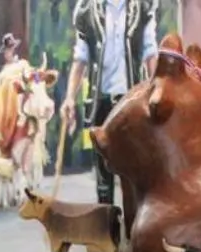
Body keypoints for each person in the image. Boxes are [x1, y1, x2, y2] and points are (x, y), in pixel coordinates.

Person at [61, 0, 159, 207]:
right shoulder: (88, 9)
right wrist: (70, 97)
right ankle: (107, 229)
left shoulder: (142, 7)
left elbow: (151, 53)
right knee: (103, 172)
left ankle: (134, 229)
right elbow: (81, 59)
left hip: (131, 100)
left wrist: (156, 92)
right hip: (101, 100)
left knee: (134, 167)